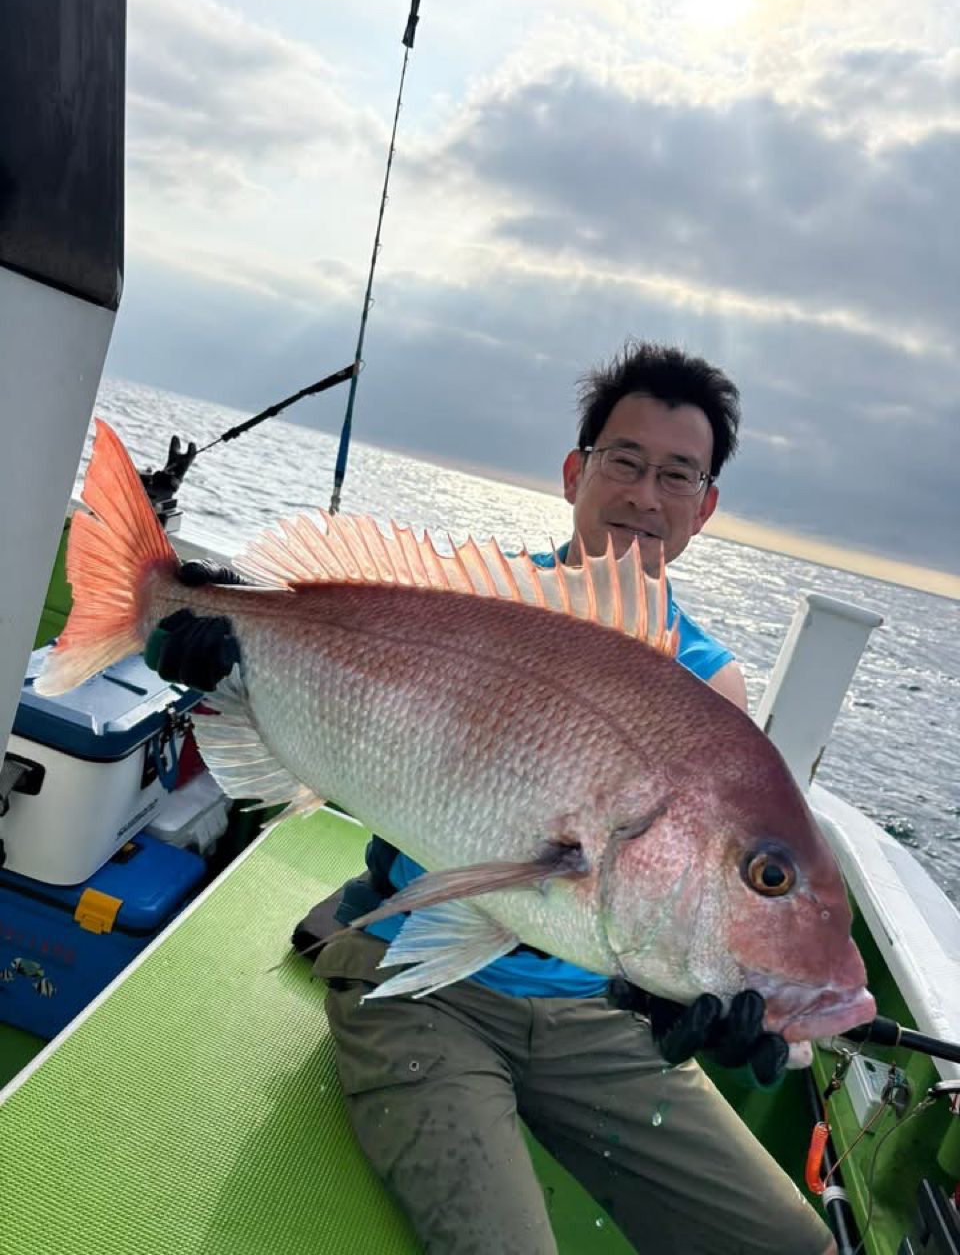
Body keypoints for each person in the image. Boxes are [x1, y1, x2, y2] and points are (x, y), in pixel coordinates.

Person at [146, 341, 836, 1255]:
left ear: (705, 509)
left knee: (793, 1245)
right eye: (623, 461)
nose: (644, 494)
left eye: (677, 475)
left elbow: (681, 886)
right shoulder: (466, 610)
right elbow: (331, 693)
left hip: (593, 1015)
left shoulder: (710, 692)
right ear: (573, 473)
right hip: (419, 986)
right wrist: (220, 666)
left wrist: (684, 997)